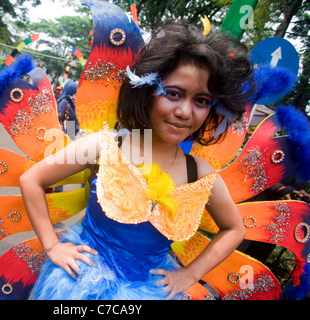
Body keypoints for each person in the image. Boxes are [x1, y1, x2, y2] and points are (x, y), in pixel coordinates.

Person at [20, 22, 252, 300]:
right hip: (80, 285)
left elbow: (235, 229)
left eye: (201, 100)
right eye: (174, 94)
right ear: (147, 92)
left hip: (152, 291)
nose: (185, 111)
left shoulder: (199, 174)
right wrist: (53, 246)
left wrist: (190, 274)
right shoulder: (106, 146)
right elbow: (31, 179)